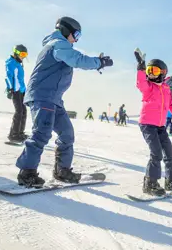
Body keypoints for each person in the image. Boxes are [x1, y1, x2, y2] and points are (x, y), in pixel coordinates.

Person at [15, 16, 113, 187]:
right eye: (76, 35)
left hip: (54, 98)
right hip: (42, 95)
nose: (76, 39)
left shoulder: (61, 45)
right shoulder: (57, 45)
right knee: (42, 133)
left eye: (79, 36)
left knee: (67, 133)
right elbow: (78, 60)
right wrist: (99, 62)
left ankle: (62, 171)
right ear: (65, 31)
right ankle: (27, 173)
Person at [134, 47, 172, 196]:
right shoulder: (149, 88)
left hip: (160, 126)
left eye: (155, 71)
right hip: (147, 124)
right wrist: (140, 68)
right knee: (156, 153)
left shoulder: (166, 89)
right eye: (149, 71)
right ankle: (150, 184)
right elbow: (141, 83)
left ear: (163, 72)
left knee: (170, 154)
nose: (151, 74)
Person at [5, 44, 29, 143]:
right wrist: (10, 89)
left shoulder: (18, 64)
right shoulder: (11, 63)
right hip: (15, 91)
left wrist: (25, 90)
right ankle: (13, 135)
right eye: (22, 54)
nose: (23, 56)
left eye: (25, 54)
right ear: (16, 53)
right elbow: (8, 77)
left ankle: (20, 133)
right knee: (18, 111)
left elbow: (20, 79)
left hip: (21, 91)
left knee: (24, 111)